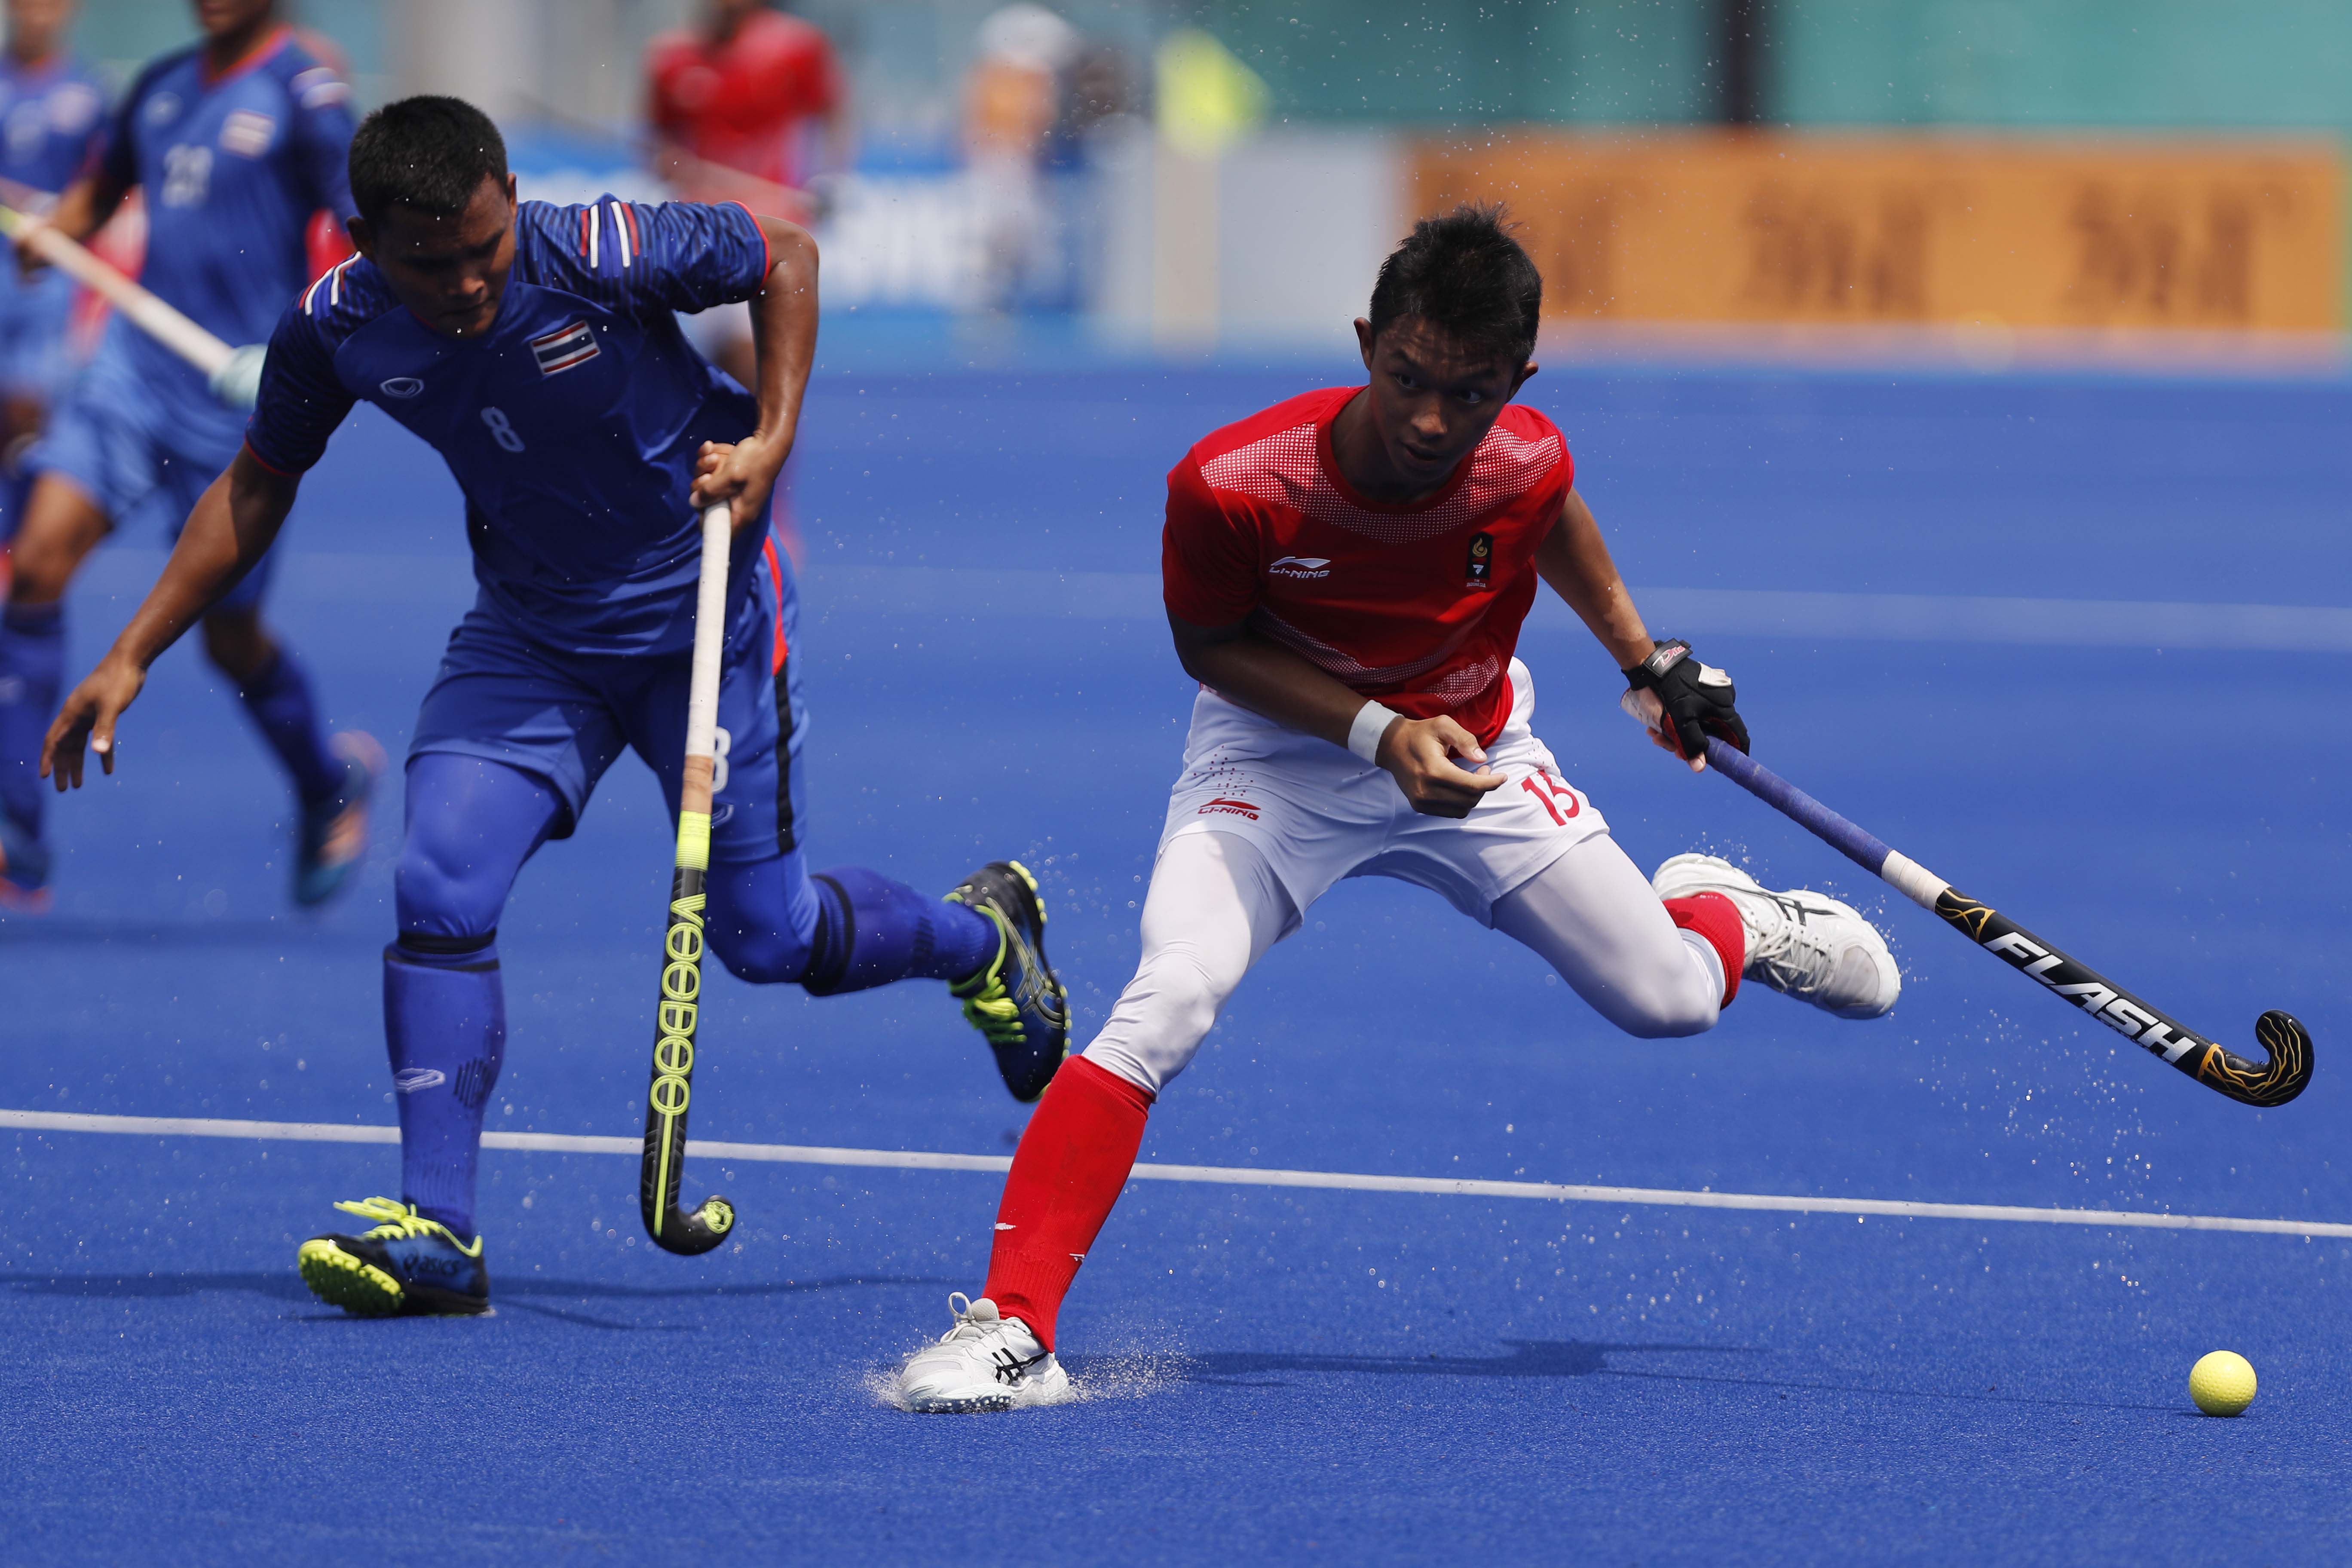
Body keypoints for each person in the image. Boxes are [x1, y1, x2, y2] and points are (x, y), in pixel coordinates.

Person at [41, 96, 1070, 1318]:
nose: (469, 281)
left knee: (768, 939)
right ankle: (439, 1232)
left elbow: (784, 254)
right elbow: (258, 483)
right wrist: (133, 649)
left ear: (511, 197)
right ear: (363, 236)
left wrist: (771, 441)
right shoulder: (339, 328)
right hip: (529, 638)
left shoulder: (596, 249)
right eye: (431, 263)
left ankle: (983, 939)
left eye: (485, 246)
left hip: (702, 618)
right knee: (438, 882)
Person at [891, 207, 1904, 1412]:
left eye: (1470, 394)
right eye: (1407, 378)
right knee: (1172, 992)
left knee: (1671, 1001)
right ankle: (1015, 1328)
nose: (1432, 420)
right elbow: (1207, 646)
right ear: (1367, 340)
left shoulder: (1528, 456)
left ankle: (1725, 914)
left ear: (1516, 382)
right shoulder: (1232, 485)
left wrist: (1648, 660)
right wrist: (1375, 732)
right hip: (1276, 759)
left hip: (1477, 754)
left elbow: (1552, 515)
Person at [0, 0, 366, 912]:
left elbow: (370, 242)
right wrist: (59, 229)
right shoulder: (160, 88)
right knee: (37, 564)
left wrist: (310, 352)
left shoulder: (307, 95)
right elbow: (102, 189)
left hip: (238, 406)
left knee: (228, 639)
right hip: (130, 378)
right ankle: (17, 826)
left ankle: (328, 784)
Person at [646, 0, 847, 390]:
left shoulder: (797, 46)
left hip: (770, 221)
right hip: (699, 224)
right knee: (712, 361)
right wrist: (668, 162)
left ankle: (766, 445)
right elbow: (659, 141)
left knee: (753, 354)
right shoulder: (670, 57)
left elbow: (832, 114)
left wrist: (831, 177)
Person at [0, 0, 107, 545]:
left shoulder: (88, 93)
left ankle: (17, 543)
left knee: (26, 413)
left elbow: (107, 183)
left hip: (46, 275)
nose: (36, 15)